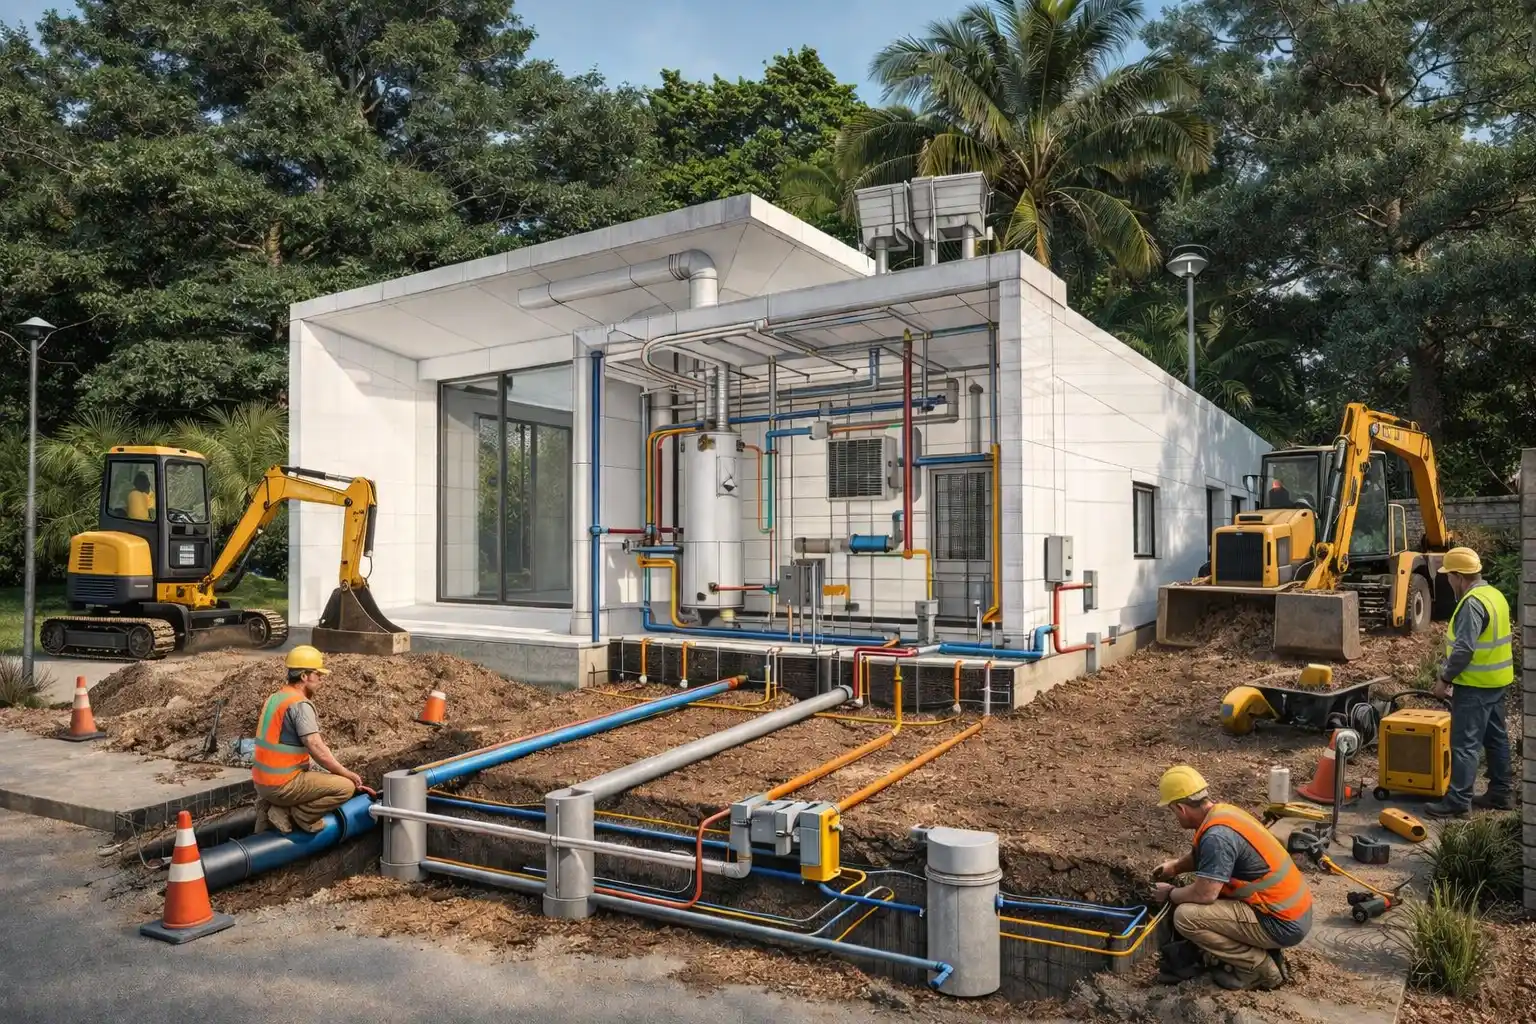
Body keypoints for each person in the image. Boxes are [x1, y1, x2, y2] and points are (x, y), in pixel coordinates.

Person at [1150, 765, 1313, 991]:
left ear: (1181, 808)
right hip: (1292, 910)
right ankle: (1257, 950)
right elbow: (1205, 857)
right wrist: (1176, 867)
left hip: (1281, 924)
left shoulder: (1217, 837)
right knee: (1194, 895)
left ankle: (1258, 967)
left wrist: (1170, 894)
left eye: (1172, 810)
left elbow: (1205, 894)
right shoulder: (1223, 814)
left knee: (1185, 916)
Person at [1424, 546, 1514, 818]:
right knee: (1496, 738)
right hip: (1497, 682)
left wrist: (1444, 678)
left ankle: (1458, 802)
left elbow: (1464, 649)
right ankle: (1501, 793)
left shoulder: (1472, 603)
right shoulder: (1494, 595)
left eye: (1449, 577)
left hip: (1475, 686)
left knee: (1465, 744)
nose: (1449, 582)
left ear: (1459, 576)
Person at [251, 645, 375, 834]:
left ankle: (277, 808)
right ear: (304, 676)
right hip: (282, 784)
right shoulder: (299, 705)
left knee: (324, 777)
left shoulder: (276, 698)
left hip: (263, 782)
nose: (321, 680)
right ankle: (299, 814)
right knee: (344, 788)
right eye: (318, 674)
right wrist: (345, 773)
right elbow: (315, 746)